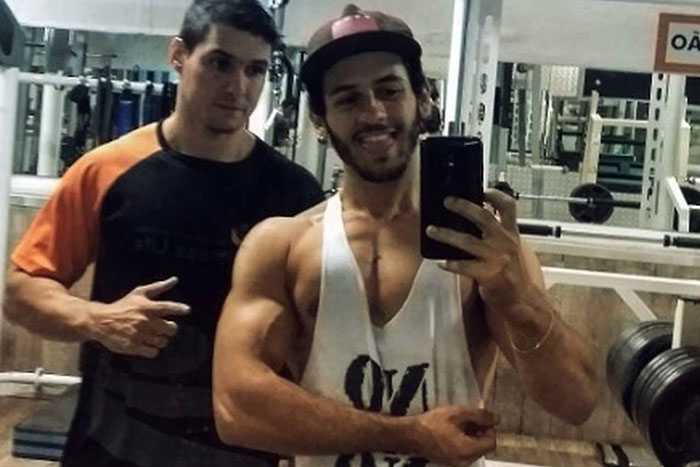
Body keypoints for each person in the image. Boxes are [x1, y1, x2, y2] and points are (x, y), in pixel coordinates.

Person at [212, 4, 598, 467]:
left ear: (424, 98)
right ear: (319, 119)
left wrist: (518, 301)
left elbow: (577, 401)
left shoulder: (482, 248)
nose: (374, 112)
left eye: (389, 90)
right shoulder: (282, 245)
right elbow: (235, 407)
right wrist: (412, 435)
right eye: (348, 99)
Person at [3, 0, 323, 466]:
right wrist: (96, 319)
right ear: (178, 55)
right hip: (111, 450)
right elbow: (21, 290)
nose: (238, 87)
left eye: (254, 70)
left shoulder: (295, 193)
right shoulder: (106, 169)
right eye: (220, 63)